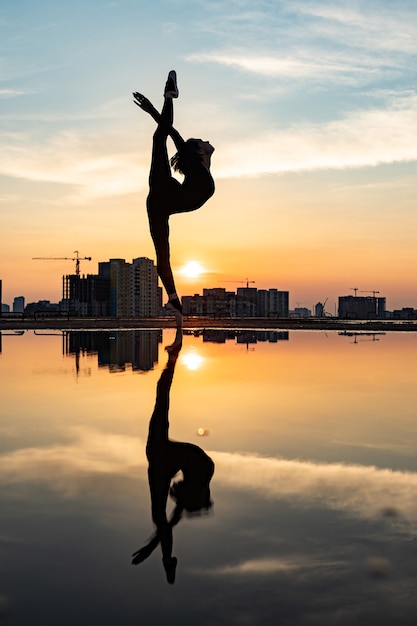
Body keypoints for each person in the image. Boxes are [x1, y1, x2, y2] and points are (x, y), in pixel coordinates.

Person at [133, 71, 215, 327]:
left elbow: (174, 133)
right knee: (159, 135)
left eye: (203, 139)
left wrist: (152, 112)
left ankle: (173, 300)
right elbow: (172, 132)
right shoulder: (194, 162)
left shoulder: (196, 163)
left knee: (163, 255)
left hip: (162, 201)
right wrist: (155, 110)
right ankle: (170, 95)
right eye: (203, 140)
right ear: (200, 151)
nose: (207, 140)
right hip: (164, 194)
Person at [132, 336, 214, 584]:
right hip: (165, 457)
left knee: (161, 399)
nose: (174, 494)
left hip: (163, 458)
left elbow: (167, 522)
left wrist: (159, 551)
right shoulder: (201, 470)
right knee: (161, 398)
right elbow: (168, 521)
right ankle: (173, 358)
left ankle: (173, 358)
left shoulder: (196, 472)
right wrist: (157, 551)